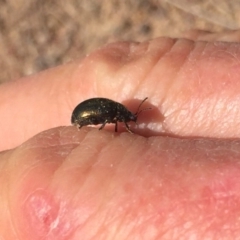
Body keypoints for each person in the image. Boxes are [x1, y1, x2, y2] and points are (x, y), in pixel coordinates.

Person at [1, 30, 240, 239]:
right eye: (128, 120)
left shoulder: (118, 112)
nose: (129, 122)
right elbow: (106, 119)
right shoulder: (115, 114)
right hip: (84, 114)